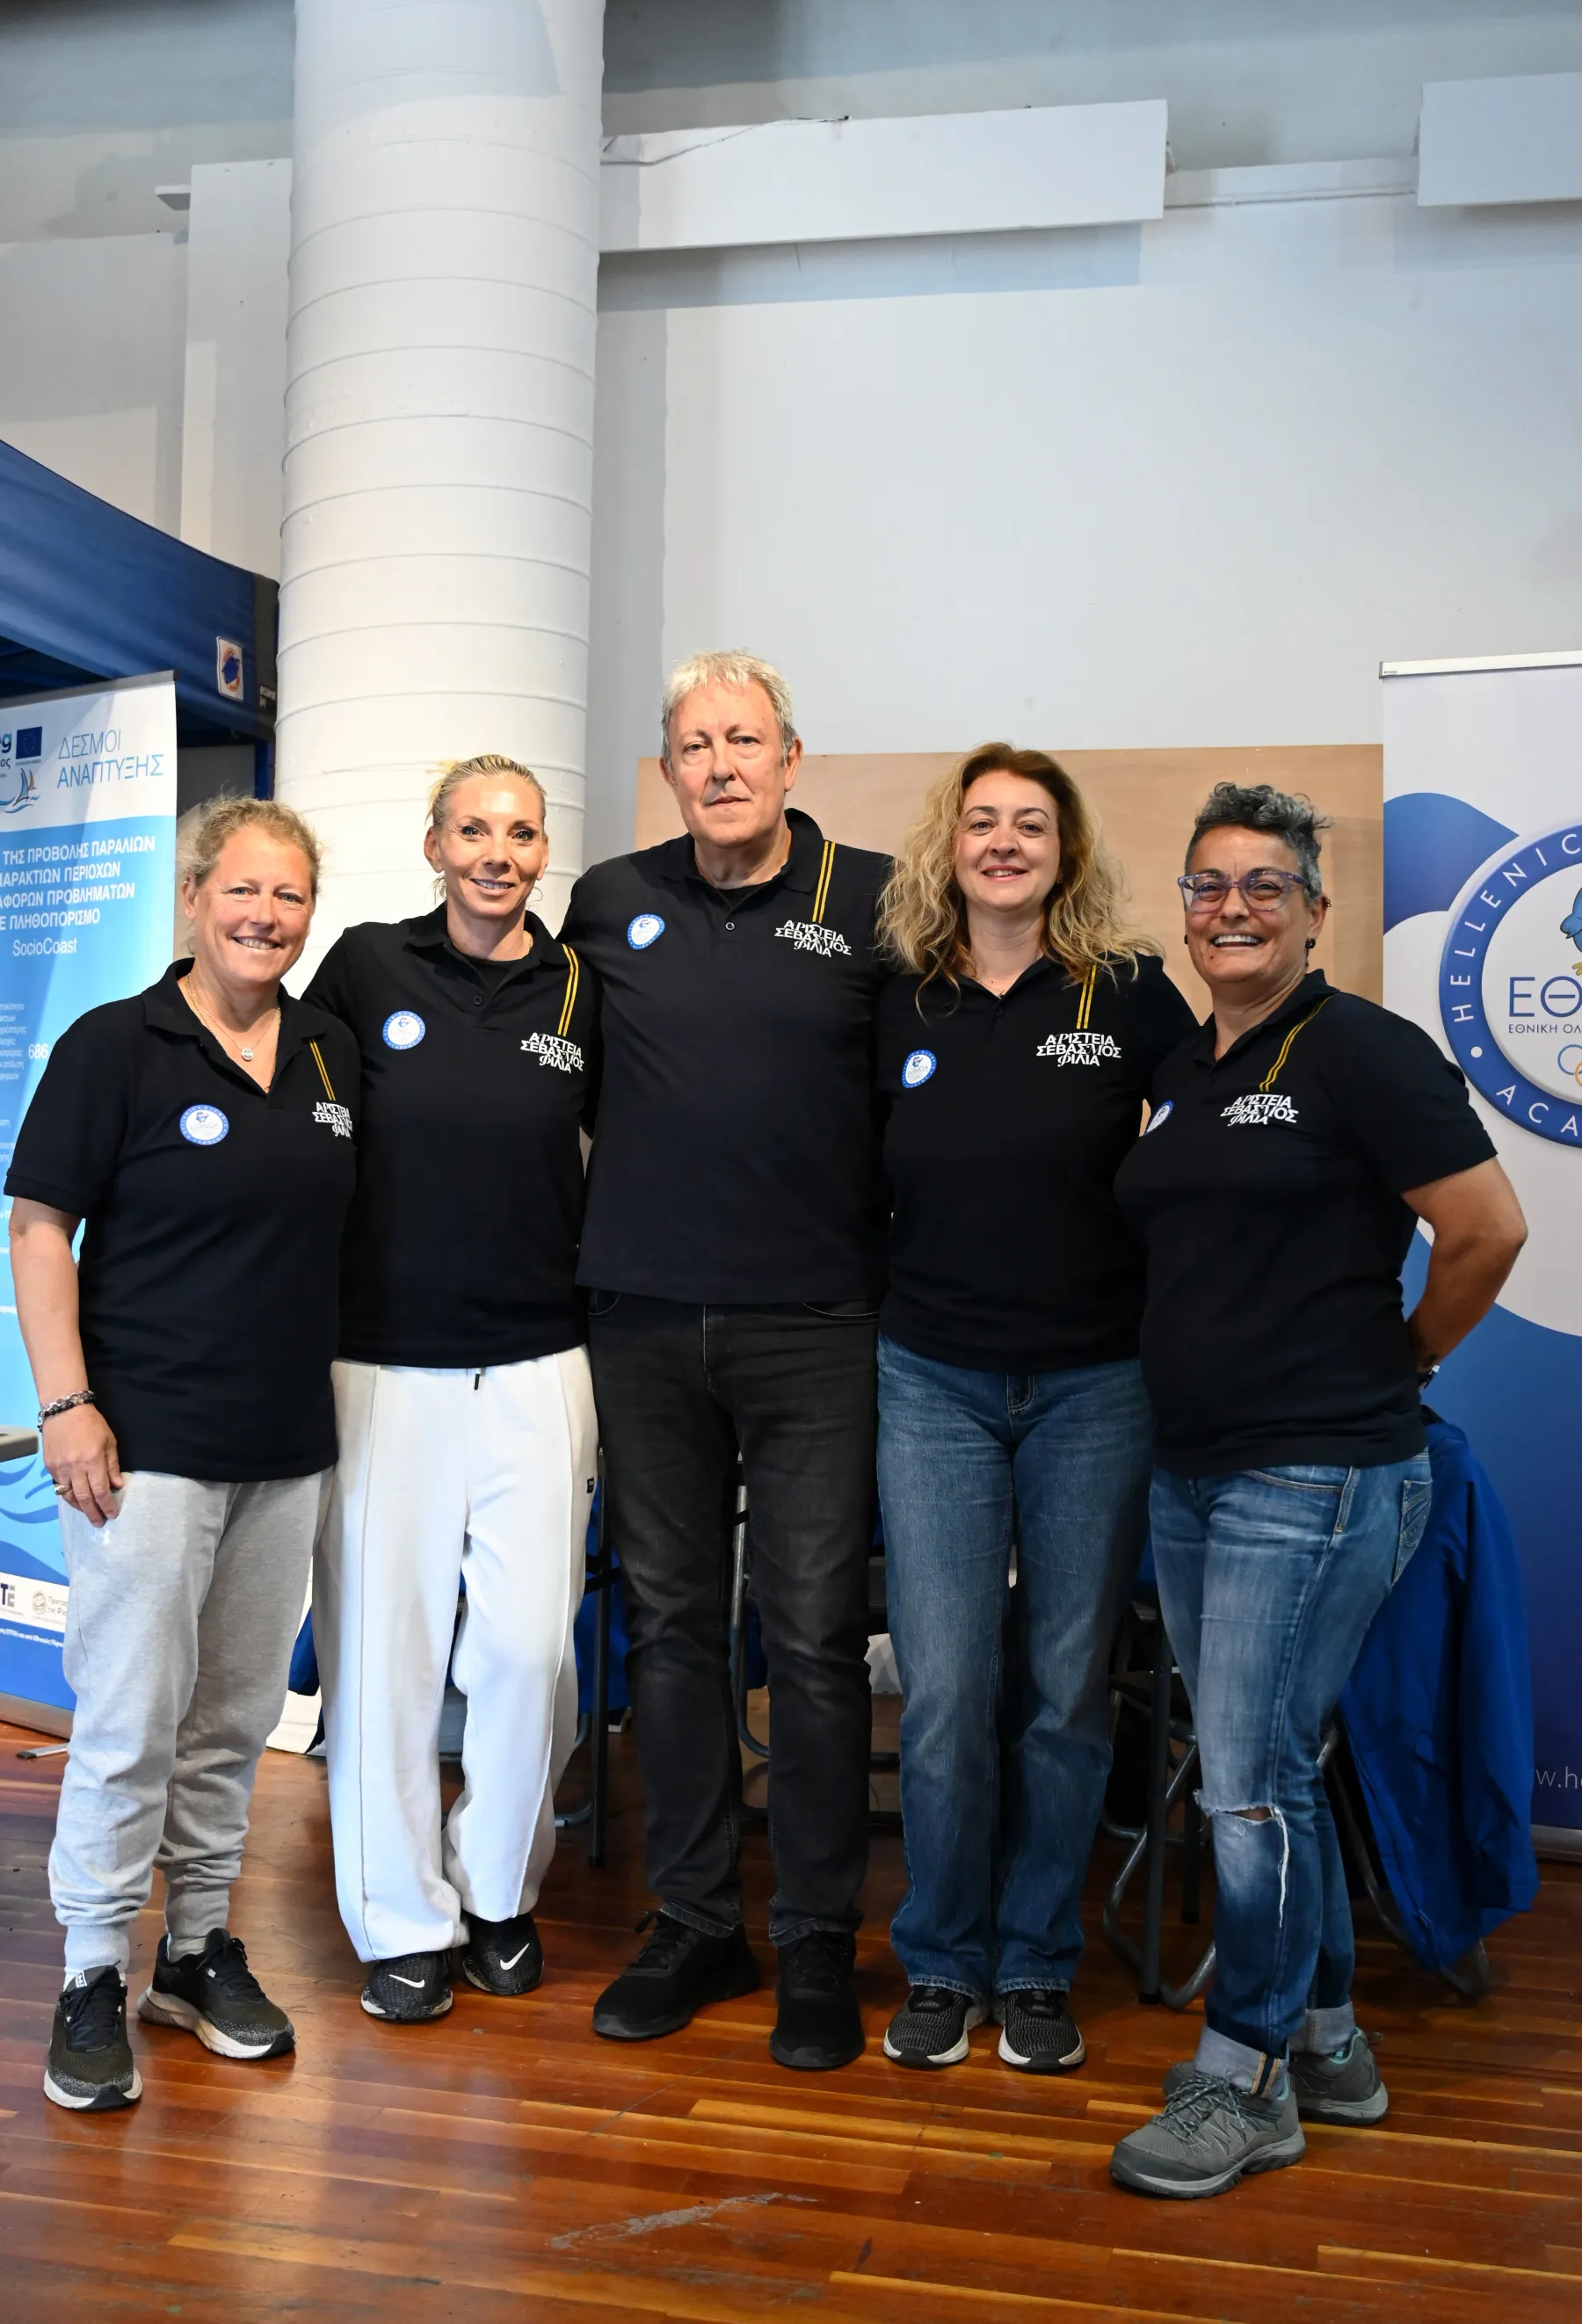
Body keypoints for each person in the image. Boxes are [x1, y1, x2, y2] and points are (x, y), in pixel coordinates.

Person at [1109, 781, 1526, 2200]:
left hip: (1321, 1471)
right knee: (1270, 1771)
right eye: (1209, 885)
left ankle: (1247, 2076)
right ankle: (1332, 2042)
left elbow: (1486, 1229)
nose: (1232, 908)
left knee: (1246, 1786)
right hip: (1193, 1470)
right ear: (1185, 909)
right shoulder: (1187, 1066)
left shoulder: (1363, 1051)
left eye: (1263, 887)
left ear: (1313, 913)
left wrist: (1403, 1359)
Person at [560, 650, 888, 2071]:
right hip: (640, 1321)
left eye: (745, 740)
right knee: (673, 1631)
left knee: (812, 1640)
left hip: (817, 1326)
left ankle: (815, 1935)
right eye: (696, 745)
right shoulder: (607, 901)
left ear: (791, 758)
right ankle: (697, 1922)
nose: (722, 765)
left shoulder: (874, 900)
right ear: (670, 769)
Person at [6, 796, 356, 2112]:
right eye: (244, 891)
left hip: (285, 1442)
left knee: (232, 1722)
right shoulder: (117, 1043)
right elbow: (39, 1228)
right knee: (128, 1722)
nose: (267, 917)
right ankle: (92, 1971)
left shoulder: (327, 1051)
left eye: (290, 896)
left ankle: (195, 1950)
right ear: (196, 897)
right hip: (143, 1446)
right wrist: (65, 1404)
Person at [874, 744, 1197, 2074]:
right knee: (947, 1693)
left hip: (1095, 1386)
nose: (1004, 843)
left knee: (1063, 1693)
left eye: (1031, 825)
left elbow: (1215, 1133)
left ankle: (1036, 1962)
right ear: (948, 844)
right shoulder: (897, 993)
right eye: (983, 822)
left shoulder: (1126, 990)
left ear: (1067, 853)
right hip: (931, 1379)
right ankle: (942, 1961)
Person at [306, 756, 599, 2023]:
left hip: (542, 1361)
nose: (497, 852)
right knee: (388, 1652)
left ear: (543, 853)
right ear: (434, 844)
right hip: (384, 1363)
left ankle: (498, 1893)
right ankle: (400, 1920)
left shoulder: (581, 985)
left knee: (531, 1651)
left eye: (520, 833)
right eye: (473, 829)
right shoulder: (369, 966)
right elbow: (293, 1114)